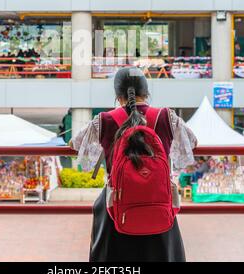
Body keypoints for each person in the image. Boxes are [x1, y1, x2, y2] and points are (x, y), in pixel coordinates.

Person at [71, 66, 197, 262]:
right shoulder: (166, 116)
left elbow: (76, 144)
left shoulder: (104, 120)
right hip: (158, 204)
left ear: (117, 95)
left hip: (116, 209)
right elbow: (193, 142)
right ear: (146, 93)